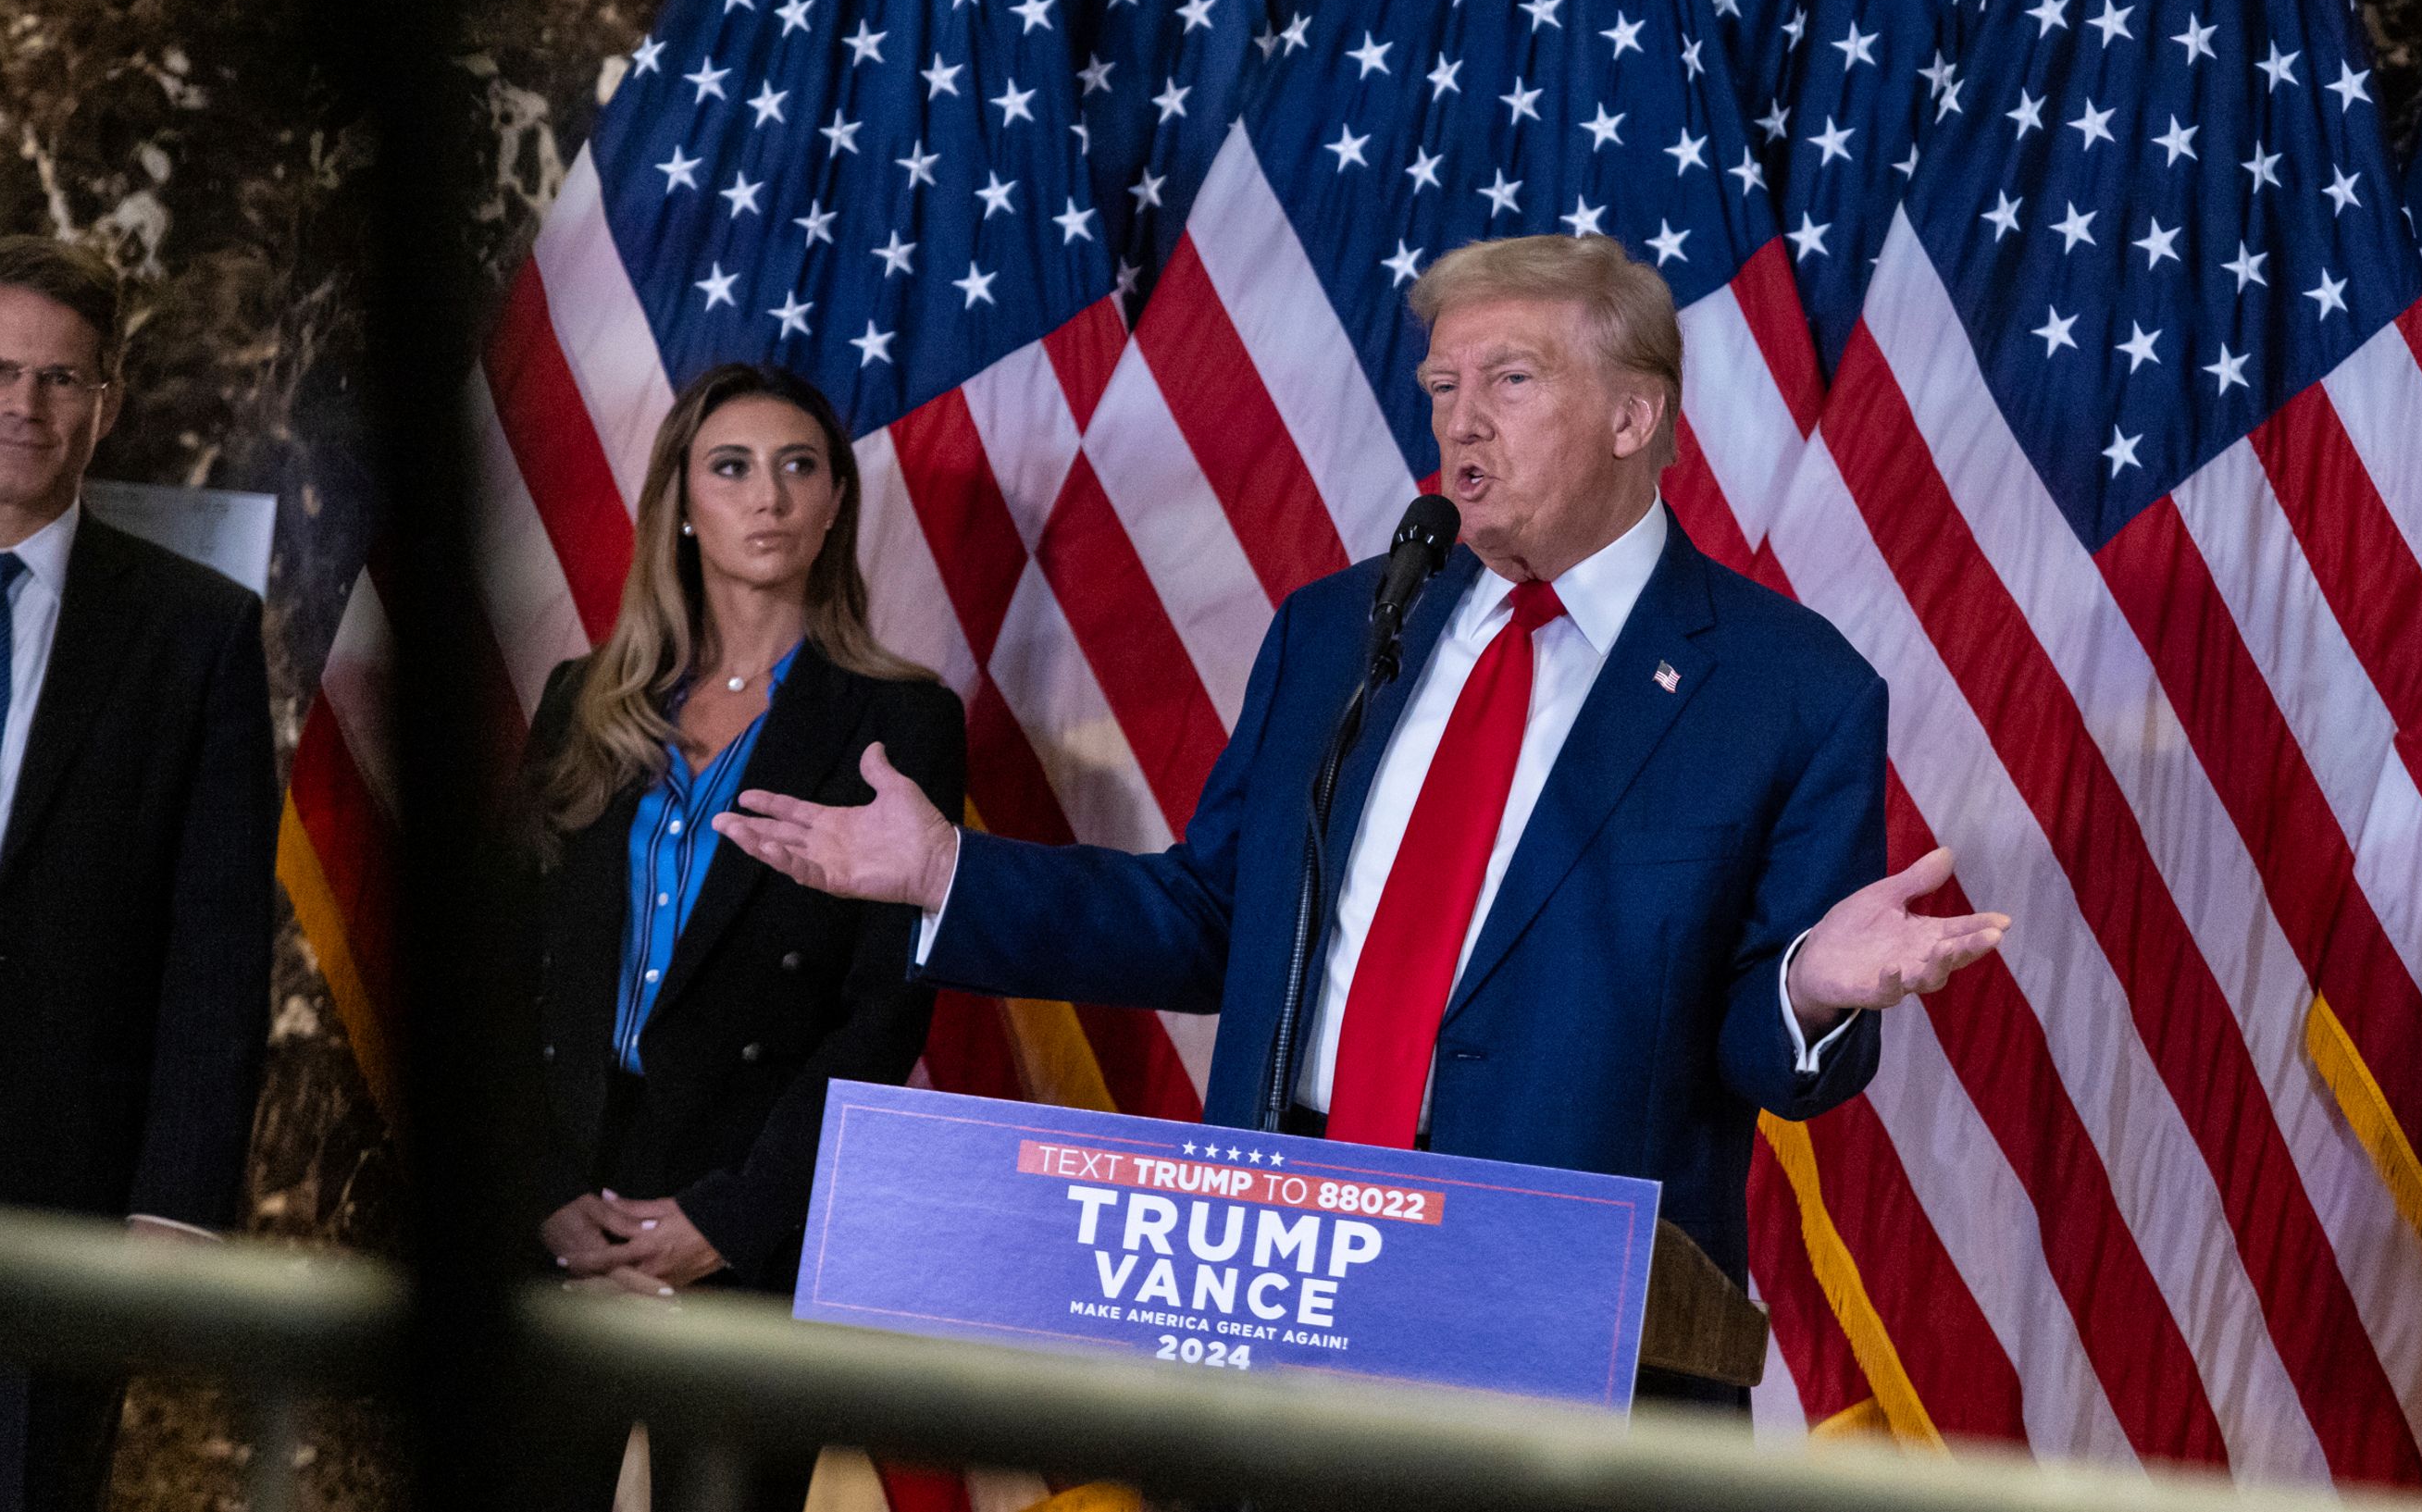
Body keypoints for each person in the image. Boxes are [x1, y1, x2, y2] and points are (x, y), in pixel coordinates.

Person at [717, 233, 2006, 1398]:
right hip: (1284, 1280)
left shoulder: (1788, 688)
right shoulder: (1342, 632)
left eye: (1509, 380)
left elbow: (1757, 1049)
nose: (1459, 423)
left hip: (1559, 1330)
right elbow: (1214, 918)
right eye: (1442, 387)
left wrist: (1811, 985)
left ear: (1633, 415)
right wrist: (951, 872)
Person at [0, 237, 277, 1512]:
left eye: (60, 379)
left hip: (38, 1182)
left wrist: (175, 1213)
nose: (21, 405)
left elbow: (216, 948)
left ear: (104, 404)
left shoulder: (194, 634)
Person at [518, 362, 962, 1504]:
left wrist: (729, 1216)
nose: (766, 495)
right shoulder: (585, 698)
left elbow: (885, 1010)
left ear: (832, 506)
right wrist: (542, 1190)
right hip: (567, 1195)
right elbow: (512, 969)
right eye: (731, 466)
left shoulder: (899, 716)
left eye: (797, 467)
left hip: (751, 1203)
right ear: (680, 501)